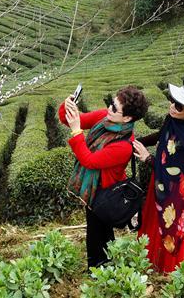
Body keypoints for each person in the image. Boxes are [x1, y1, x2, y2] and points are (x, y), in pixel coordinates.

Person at [60, 85, 150, 268]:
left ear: (127, 118)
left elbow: (89, 160)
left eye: (115, 108)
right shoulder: (104, 117)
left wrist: (77, 132)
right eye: (111, 104)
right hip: (95, 187)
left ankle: (98, 266)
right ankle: (104, 263)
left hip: (104, 191)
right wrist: (67, 106)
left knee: (96, 231)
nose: (110, 108)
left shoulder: (124, 145)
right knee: (99, 230)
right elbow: (70, 120)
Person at [131, 80, 184, 273]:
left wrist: (148, 158)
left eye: (179, 105)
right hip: (161, 184)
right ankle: (147, 259)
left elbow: (176, 173)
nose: (173, 107)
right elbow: (160, 135)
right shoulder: (173, 120)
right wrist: (133, 141)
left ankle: (165, 267)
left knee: (168, 225)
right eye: (172, 101)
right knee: (153, 221)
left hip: (176, 193)